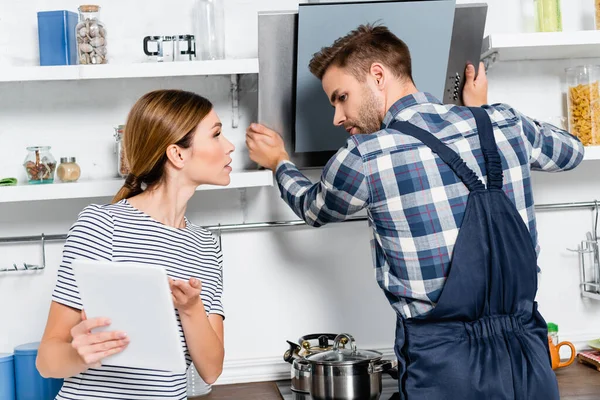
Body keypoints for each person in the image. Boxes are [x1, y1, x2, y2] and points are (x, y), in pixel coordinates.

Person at [246, 24, 584, 399]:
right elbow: (572, 152)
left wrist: (279, 162)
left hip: (445, 366)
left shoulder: (365, 155)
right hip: (529, 360)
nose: (337, 118)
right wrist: (482, 113)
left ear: (377, 75)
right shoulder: (502, 122)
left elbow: (313, 208)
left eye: (341, 97)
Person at [36, 89, 234, 400]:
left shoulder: (205, 244)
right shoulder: (102, 226)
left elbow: (211, 370)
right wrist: (79, 354)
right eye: (217, 135)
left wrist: (191, 307)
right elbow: (47, 360)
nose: (229, 146)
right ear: (177, 154)